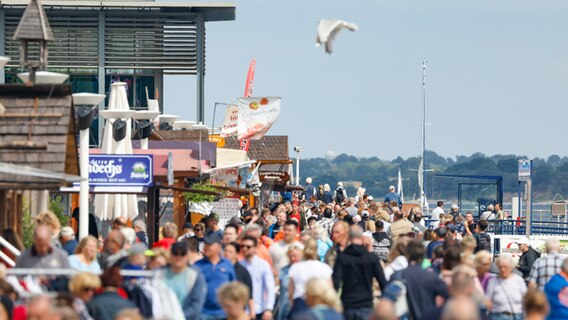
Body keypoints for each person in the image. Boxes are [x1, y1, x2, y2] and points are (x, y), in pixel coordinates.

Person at [333, 227, 387, 320]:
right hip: (365, 303)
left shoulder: (342, 257)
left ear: (349, 237)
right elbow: (382, 281)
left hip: (348, 303)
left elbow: (336, 281)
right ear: (362, 237)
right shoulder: (371, 257)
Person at [155, 242, 206, 320]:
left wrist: (178, 317)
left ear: (187, 256)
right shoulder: (158, 274)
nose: (179, 257)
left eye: (182, 254)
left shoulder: (195, 275)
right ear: (171, 255)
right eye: (175, 253)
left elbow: (196, 304)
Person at [400, 239, 449, 319]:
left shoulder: (400, 274)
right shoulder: (432, 275)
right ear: (423, 255)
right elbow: (449, 295)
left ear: (407, 255)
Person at [195, 233, 236, 320]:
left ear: (218, 247)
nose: (206, 247)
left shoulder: (227, 264)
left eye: (209, 244)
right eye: (205, 244)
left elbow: (234, 287)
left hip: (224, 313)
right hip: (202, 313)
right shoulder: (197, 266)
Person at [288, 238, 333, 317]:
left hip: (299, 305)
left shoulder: (295, 268)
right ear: (316, 250)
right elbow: (329, 291)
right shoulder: (325, 268)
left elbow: (291, 293)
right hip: (318, 304)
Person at [239, 235, 276, 320]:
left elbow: (270, 287)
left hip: (259, 309)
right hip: (242, 311)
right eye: (242, 246)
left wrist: (268, 309)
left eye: (248, 247)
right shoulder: (239, 265)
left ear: (255, 248)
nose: (244, 249)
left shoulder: (263, 265)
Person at [486, 255, 526, 320]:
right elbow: (488, 299)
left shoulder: (518, 280)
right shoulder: (493, 281)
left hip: (516, 316)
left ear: (511, 267)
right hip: (497, 316)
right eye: (500, 267)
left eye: (505, 267)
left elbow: (525, 298)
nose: (503, 269)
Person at [223, 242, 255, 318]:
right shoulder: (218, 269)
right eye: (225, 251)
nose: (227, 254)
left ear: (237, 254)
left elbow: (249, 294)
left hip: (237, 312)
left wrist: (252, 312)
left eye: (230, 252)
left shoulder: (242, 271)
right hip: (220, 311)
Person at [277, 245, 303, 320]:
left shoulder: (304, 270)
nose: (292, 259)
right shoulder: (283, 271)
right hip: (285, 309)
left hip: (300, 310)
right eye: (290, 256)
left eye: (295, 256)